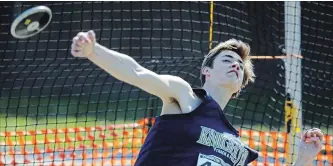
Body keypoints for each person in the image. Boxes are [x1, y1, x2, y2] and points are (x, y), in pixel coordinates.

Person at [71, 30, 324, 166]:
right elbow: (138, 73)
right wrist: (94, 52)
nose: (236, 65)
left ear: (239, 88)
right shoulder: (185, 98)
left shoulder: (238, 148)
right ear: (206, 71)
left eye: (240, 65)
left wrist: (304, 158)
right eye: (227, 60)